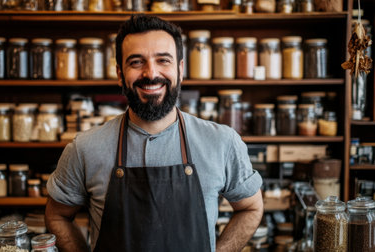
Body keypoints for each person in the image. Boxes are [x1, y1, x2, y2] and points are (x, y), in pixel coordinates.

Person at [45, 14, 263, 252]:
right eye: (136, 62)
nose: (151, 73)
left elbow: (251, 207)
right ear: (120, 73)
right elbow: (57, 216)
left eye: (163, 60)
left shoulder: (222, 142)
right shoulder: (84, 148)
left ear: (180, 69)